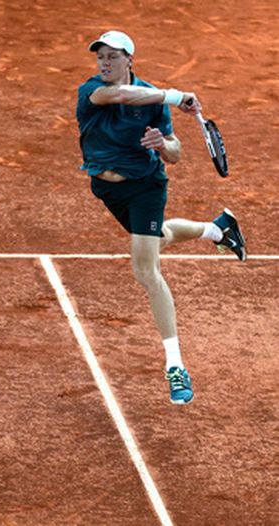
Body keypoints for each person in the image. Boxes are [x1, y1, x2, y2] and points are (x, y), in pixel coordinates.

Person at [75, 30, 247, 405]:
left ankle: (175, 366)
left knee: (145, 268)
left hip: (146, 187)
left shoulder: (152, 98)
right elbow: (121, 95)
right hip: (106, 188)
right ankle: (217, 230)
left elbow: (175, 153)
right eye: (100, 56)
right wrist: (174, 95)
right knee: (159, 239)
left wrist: (162, 144)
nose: (104, 63)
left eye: (113, 56)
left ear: (129, 60)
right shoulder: (91, 91)